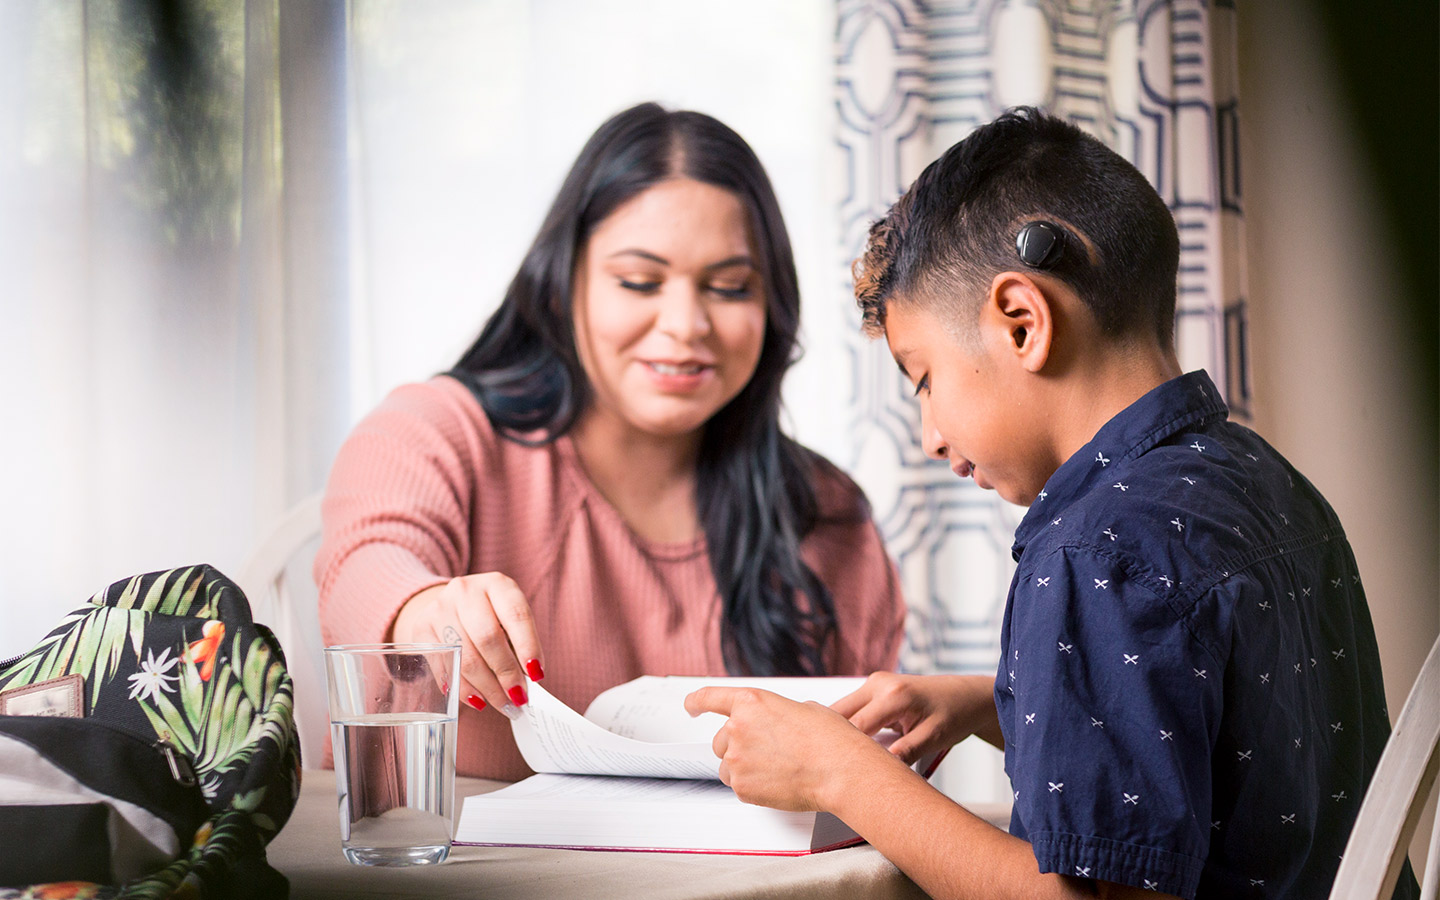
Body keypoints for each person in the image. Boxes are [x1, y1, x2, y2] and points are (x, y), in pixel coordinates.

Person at [686, 107, 1417, 900]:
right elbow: (1216, 737)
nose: (930, 435)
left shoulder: (1094, 553)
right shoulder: (1269, 485)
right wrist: (989, 697)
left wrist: (842, 773)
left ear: (1022, 322)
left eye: (924, 377)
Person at [315, 102, 905, 781]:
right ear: (565, 283)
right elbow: (364, 569)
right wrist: (420, 610)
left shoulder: (826, 514)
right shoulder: (436, 432)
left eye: (728, 287)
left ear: (771, 306)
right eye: (639, 281)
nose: (686, 325)